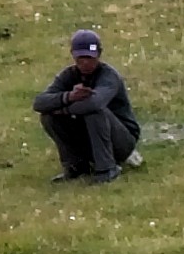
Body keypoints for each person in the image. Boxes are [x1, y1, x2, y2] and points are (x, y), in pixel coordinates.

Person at [33, 30, 140, 183]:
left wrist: (64, 109)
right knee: (49, 117)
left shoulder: (109, 76)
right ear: (73, 56)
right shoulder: (68, 75)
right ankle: (76, 166)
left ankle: (107, 168)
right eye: (80, 58)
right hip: (91, 138)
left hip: (122, 142)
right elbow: (39, 102)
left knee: (94, 112)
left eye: (89, 58)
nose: (85, 63)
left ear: (99, 55)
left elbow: (95, 103)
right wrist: (68, 96)